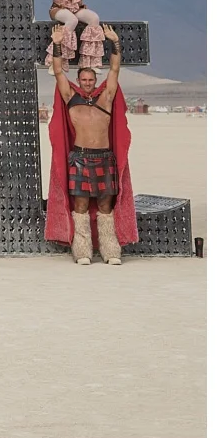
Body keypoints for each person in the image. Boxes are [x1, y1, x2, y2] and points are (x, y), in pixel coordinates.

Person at [48, 29, 135, 265]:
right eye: (84, 80)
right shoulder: (71, 98)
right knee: (81, 205)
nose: (87, 83)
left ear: (95, 80)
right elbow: (58, 71)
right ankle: (82, 251)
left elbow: (115, 69)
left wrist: (115, 42)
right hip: (80, 158)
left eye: (90, 80)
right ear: (79, 81)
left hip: (105, 158)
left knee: (106, 205)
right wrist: (57, 44)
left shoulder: (106, 97)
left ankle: (111, 251)